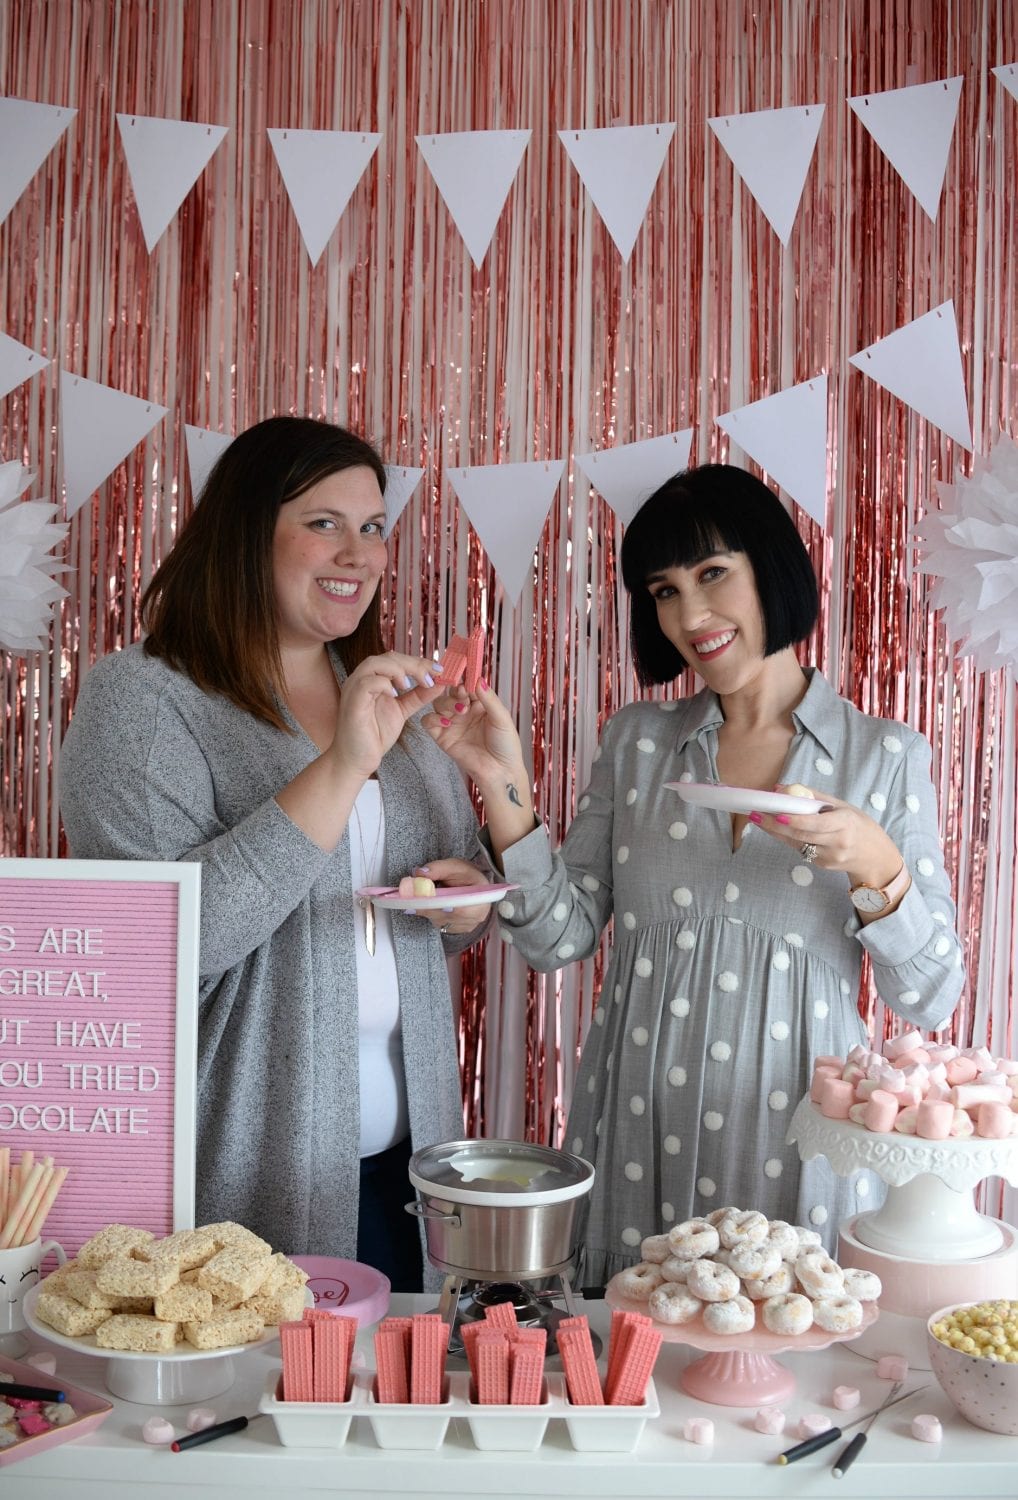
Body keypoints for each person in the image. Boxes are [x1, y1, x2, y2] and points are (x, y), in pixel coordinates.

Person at [426, 463, 965, 1286]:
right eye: (664, 590)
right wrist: (501, 785)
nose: (690, 616)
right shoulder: (639, 742)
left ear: (771, 569)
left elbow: (930, 995)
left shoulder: (883, 757)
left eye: (713, 574)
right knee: (633, 1377)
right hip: (637, 1138)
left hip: (791, 1151)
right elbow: (557, 938)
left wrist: (874, 862)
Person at [59, 416, 490, 1290]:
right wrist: (339, 767)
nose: (360, 553)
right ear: (247, 531)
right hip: (243, 1182)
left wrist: (468, 902)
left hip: (411, 1175)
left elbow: (435, 913)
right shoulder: (144, 701)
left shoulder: (385, 695)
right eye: (324, 521)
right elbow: (162, 955)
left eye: (373, 527)